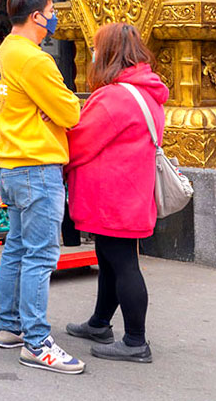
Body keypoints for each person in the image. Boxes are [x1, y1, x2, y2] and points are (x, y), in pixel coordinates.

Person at [0, 0, 84, 374]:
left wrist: (49, 108)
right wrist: (55, 108)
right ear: (36, 16)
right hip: (37, 166)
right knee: (41, 255)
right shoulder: (35, 60)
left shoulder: (5, 51)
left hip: (12, 164)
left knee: (16, 247)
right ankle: (36, 341)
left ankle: (10, 326)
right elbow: (70, 112)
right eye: (51, 10)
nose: (54, 16)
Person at [64, 22, 166, 364]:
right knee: (110, 259)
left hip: (112, 196)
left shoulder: (114, 96)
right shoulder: (147, 91)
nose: (92, 54)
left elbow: (79, 142)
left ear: (108, 53)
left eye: (95, 48)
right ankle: (99, 323)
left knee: (123, 264)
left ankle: (135, 340)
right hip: (131, 192)